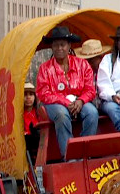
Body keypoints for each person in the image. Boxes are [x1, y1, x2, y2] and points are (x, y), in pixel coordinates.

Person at [36, 25, 100, 157]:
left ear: (69, 45)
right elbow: (43, 93)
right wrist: (65, 102)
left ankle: (84, 151)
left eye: (62, 45)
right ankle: (69, 155)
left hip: (79, 101)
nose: (59, 48)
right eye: (56, 45)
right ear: (51, 47)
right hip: (55, 104)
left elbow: (90, 89)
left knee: (92, 113)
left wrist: (81, 101)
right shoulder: (45, 68)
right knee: (62, 115)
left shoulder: (82, 65)